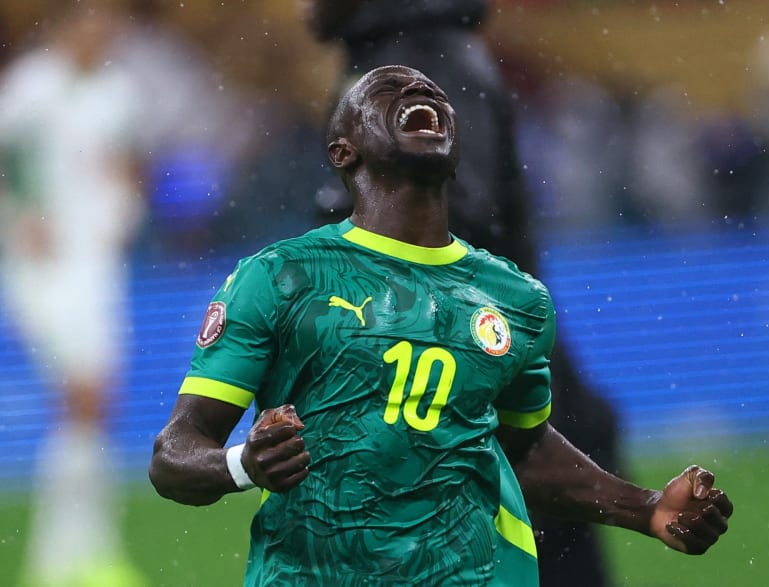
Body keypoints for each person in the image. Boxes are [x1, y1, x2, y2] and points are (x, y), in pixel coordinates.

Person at [149, 65, 733, 586]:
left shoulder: (516, 299)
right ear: (343, 152)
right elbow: (175, 455)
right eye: (386, 89)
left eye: (430, 90)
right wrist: (243, 465)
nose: (417, 87)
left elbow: (523, 448)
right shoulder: (281, 277)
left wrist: (647, 509)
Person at [299, 2, 621, 582]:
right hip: (488, 399)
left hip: (482, 411)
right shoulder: (417, 55)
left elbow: (454, 225)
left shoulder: (418, 66)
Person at [0, 6, 148, 587]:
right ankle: (70, 556)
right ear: (64, 24)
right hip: (41, 263)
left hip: (98, 263)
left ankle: (74, 556)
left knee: (94, 405)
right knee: (85, 396)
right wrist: (23, 214)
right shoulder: (32, 86)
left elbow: (127, 162)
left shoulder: (119, 91)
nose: (98, 30)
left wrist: (125, 203)